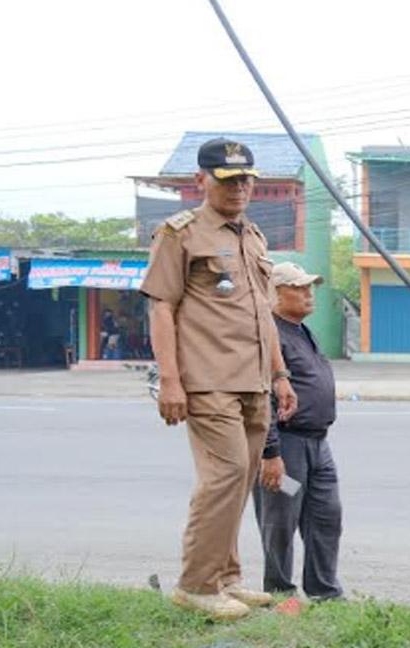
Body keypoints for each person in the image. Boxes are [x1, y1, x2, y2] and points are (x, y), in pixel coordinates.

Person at [140, 137, 298, 621]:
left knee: (241, 478)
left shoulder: (252, 235)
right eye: (229, 180)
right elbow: (161, 306)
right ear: (201, 181)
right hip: (207, 379)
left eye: (247, 179)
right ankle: (195, 584)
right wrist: (170, 380)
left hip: (253, 380)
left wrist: (280, 374)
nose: (240, 188)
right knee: (224, 476)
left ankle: (226, 577)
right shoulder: (179, 234)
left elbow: (264, 314)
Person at [253, 262, 344, 601]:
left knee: (326, 517)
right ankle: (280, 597)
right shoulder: (269, 335)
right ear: (275, 294)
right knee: (280, 523)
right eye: (300, 287)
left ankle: (325, 593)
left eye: (311, 287)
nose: (309, 294)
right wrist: (271, 454)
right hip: (285, 448)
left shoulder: (301, 330)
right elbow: (262, 398)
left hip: (318, 446)